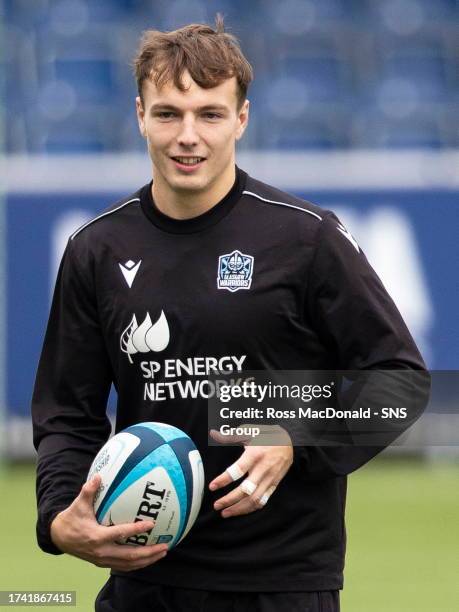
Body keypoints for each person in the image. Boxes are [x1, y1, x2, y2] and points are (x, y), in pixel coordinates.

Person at [32, 16, 427, 612]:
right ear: (140, 115)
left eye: (210, 114)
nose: (188, 135)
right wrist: (59, 521)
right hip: (146, 582)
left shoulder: (305, 238)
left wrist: (296, 431)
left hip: (282, 585)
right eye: (168, 113)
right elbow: (68, 414)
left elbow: (403, 381)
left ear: (241, 120)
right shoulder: (97, 249)